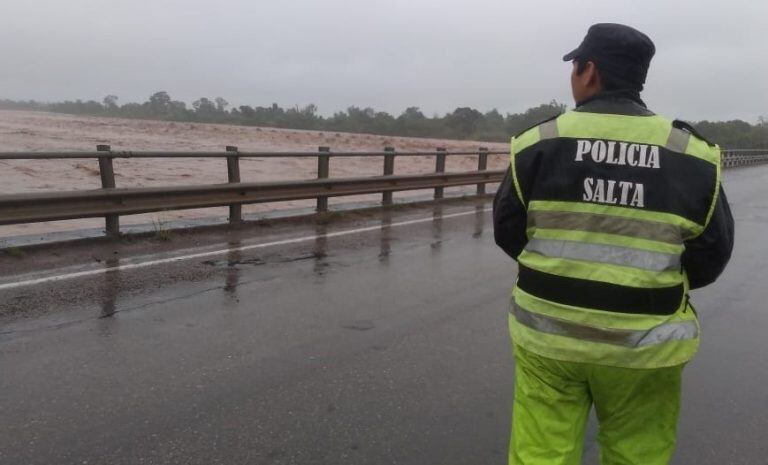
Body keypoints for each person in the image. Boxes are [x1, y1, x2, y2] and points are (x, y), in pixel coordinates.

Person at [493, 23, 734, 465]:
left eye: (576, 67)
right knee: (637, 453)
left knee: (541, 452)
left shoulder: (537, 144)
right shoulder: (692, 155)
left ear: (589, 71)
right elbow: (711, 255)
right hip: (646, 347)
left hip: (549, 339)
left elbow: (509, 232)